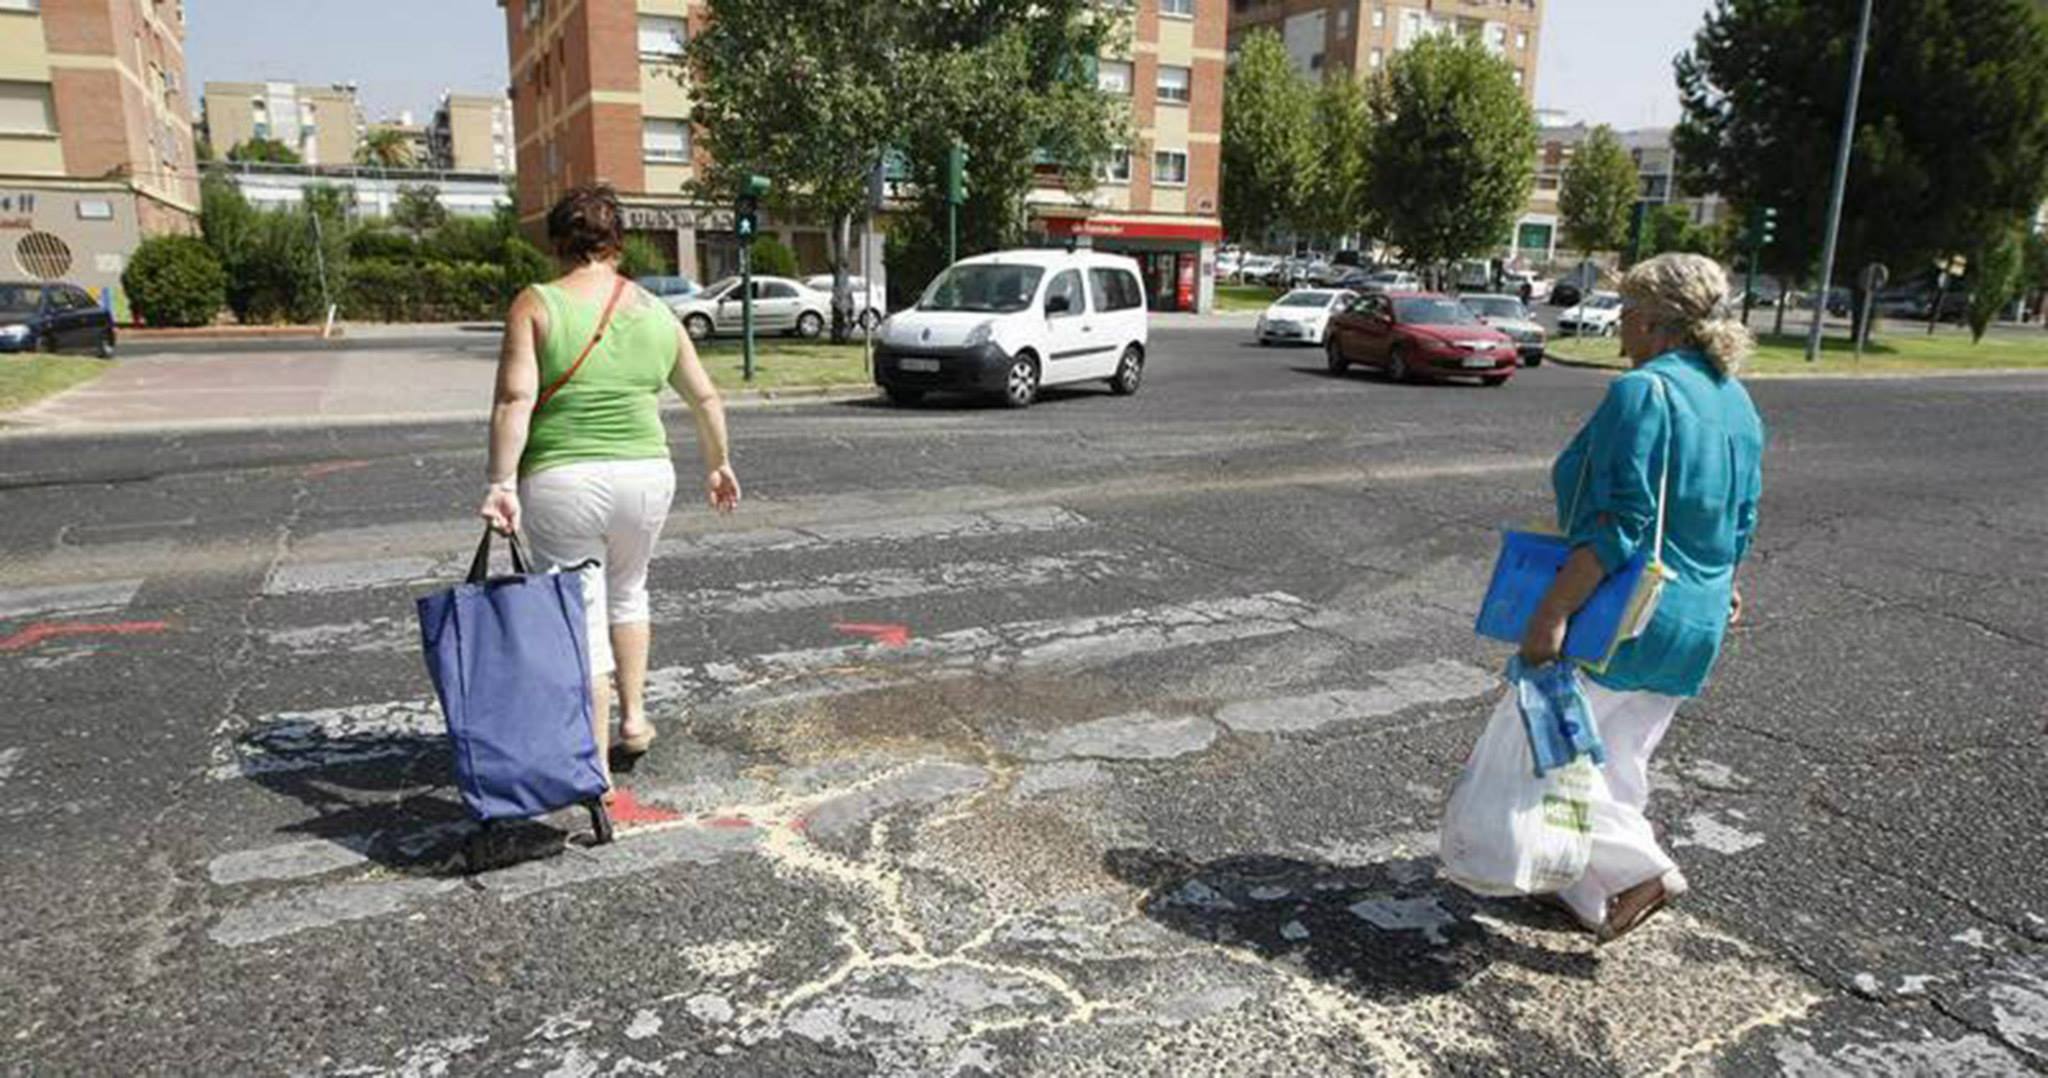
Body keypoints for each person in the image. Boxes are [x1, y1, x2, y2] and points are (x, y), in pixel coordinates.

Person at [1517, 252, 1765, 942]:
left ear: (1655, 323)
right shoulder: (1736, 400)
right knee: (1621, 759)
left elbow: (1618, 525)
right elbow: (1741, 516)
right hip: (1702, 614)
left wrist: (1553, 612)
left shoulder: (1644, 392)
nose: (1619, 328)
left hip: (1627, 614)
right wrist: (1729, 585)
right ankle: (1589, 895)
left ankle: (1638, 870)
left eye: (1626, 314)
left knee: (1547, 741)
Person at [478, 184, 740, 794]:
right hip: (646, 476)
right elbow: (703, 394)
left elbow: (516, 398)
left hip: (564, 479)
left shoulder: (537, 304)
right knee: (629, 591)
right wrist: (718, 463)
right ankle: (635, 718)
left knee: (581, 613)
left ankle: (591, 764)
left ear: (557, 242)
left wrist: (500, 481)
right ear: (618, 241)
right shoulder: (656, 310)